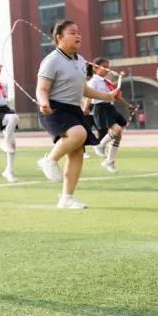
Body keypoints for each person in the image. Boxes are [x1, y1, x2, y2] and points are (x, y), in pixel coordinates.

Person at [35, 21, 121, 209]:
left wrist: (108, 96)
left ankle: (66, 198)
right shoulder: (51, 61)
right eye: (72, 32)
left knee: (77, 154)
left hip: (74, 109)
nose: (78, 36)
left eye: (79, 32)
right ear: (59, 38)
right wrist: (44, 103)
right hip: (54, 108)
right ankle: (48, 160)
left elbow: (83, 89)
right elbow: (41, 89)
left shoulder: (80, 61)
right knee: (78, 134)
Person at [85, 57, 127, 173]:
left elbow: (115, 95)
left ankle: (109, 161)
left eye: (108, 67)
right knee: (117, 130)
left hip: (109, 107)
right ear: (95, 68)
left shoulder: (106, 81)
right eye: (105, 67)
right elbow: (89, 95)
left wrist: (128, 105)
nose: (107, 70)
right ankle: (99, 145)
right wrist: (86, 108)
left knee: (118, 134)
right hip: (100, 107)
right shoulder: (93, 81)